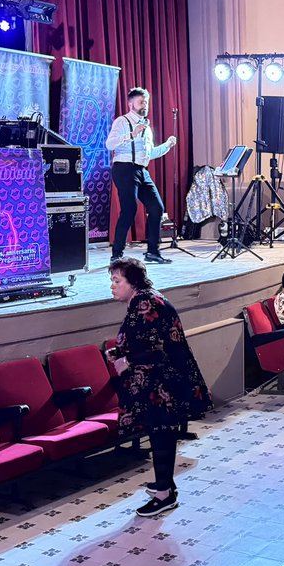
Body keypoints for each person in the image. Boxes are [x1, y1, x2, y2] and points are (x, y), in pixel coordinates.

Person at [109, 257, 212, 516]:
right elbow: (145, 338)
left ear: (131, 282)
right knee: (161, 433)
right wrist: (121, 352)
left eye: (116, 281)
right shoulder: (146, 298)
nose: (112, 286)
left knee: (162, 433)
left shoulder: (145, 303)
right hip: (164, 380)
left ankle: (165, 495)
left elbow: (156, 349)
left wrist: (127, 360)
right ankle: (165, 485)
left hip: (163, 384)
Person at [106, 87, 177, 264]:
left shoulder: (146, 127)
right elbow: (110, 144)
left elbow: (149, 153)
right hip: (124, 168)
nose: (145, 105)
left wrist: (167, 146)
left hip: (141, 170)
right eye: (141, 102)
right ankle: (117, 254)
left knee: (157, 208)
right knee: (129, 210)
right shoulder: (122, 122)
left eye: (146, 102)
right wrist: (132, 134)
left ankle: (153, 251)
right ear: (131, 104)